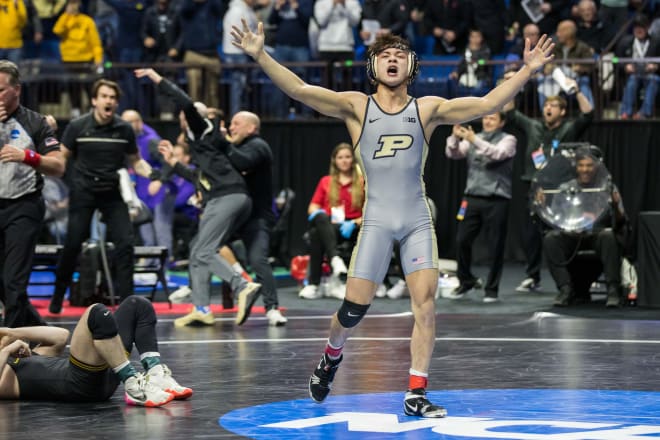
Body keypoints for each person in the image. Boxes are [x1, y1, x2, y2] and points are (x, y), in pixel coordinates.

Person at [230, 19, 554, 417]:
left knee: (427, 305)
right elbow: (299, 90)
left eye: (400, 55)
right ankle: (331, 356)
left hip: (416, 219)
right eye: (385, 56)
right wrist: (261, 54)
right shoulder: (356, 106)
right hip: (377, 223)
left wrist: (527, 70)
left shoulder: (428, 109)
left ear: (411, 66)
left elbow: (486, 104)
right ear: (374, 67)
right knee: (352, 310)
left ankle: (416, 391)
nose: (393, 60)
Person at [134, 68, 262, 328]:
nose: (183, 116)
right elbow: (198, 179)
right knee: (197, 251)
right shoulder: (204, 145)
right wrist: (172, 163)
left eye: (187, 114)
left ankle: (242, 285)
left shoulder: (202, 127)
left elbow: (185, 101)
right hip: (225, 195)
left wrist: (157, 78)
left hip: (226, 196)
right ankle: (201, 307)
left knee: (203, 250)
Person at [49, 78, 154, 315]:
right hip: (84, 191)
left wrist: (155, 174)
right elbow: (61, 158)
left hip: (112, 193)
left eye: (113, 98)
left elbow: (136, 162)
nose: (109, 101)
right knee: (73, 243)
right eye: (104, 96)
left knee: (126, 244)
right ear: (95, 101)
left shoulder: (124, 129)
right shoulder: (77, 126)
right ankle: (57, 297)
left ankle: (128, 304)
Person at [0, 295, 191, 405]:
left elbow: (59, 336)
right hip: (80, 384)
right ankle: (133, 383)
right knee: (96, 313)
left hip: (105, 373)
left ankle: (155, 372)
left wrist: (11, 332)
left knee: (138, 304)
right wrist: (8, 350)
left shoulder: (21, 360)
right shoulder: (5, 375)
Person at [502, 75, 593, 293]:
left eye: (553, 106)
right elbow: (510, 112)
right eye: (546, 105)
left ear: (562, 111)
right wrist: (514, 84)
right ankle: (533, 277)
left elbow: (588, 114)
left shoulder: (568, 129)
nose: (548, 108)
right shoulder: (533, 126)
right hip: (534, 188)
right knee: (531, 235)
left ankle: (568, 278)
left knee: (561, 234)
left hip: (560, 190)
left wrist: (576, 90)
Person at [0, 60, 65, 328]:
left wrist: (27, 156)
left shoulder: (34, 122)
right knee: (4, 284)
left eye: (1, 90)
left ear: (17, 90)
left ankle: (11, 348)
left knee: (14, 281)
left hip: (23, 207)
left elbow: (59, 166)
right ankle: (40, 330)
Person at [539, 147, 627, 307]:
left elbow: (621, 221)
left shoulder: (607, 188)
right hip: (572, 234)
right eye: (581, 165)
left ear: (597, 167)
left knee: (608, 235)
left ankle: (613, 290)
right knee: (551, 238)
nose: (585, 169)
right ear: (576, 167)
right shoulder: (566, 188)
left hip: (597, 234)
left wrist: (615, 206)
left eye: (589, 165)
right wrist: (544, 206)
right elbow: (555, 219)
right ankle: (565, 289)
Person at [445, 112, 517, 303]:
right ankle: (466, 281)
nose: (487, 121)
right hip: (471, 198)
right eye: (485, 118)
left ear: (501, 122)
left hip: (497, 199)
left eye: (492, 118)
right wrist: (454, 136)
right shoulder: (474, 138)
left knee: (495, 245)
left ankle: (491, 289)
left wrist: (473, 139)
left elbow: (497, 154)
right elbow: (452, 153)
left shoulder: (508, 139)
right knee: (461, 240)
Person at [298, 142, 363, 301]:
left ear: (353, 160)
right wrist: (318, 213)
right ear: (334, 160)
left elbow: (372, 212)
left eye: (347, 157)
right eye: (340, 157)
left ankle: (315, 282)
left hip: (354, 226)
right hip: (330, 225)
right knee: (319, 221)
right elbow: (312, 207)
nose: (344, 161)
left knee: (316, 233)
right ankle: (334, 260)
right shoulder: (326, 181)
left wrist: (354, 222)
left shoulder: (362, 181)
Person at [615, 14, 660, 120]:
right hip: (632, 74)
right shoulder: (625, 42)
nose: (639, 30)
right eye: (636, 27)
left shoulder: (656, 42)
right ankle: (626, 112)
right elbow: (614, 59)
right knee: (632, 80)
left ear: (647, 27)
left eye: (642, 27)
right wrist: (625, 66)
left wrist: (656, 65)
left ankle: (645, 113)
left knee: (654, 80)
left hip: (650, 74)